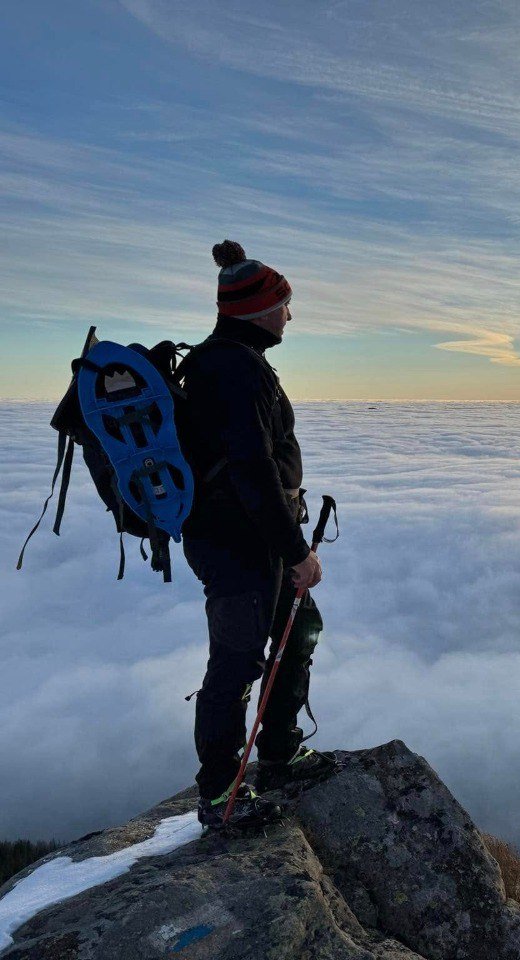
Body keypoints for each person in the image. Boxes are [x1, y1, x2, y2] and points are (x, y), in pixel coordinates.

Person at [181, 240, 333, 829]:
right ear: (255, 309)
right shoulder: (231, 369)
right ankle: (220, 790)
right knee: (238, 661)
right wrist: (296, 553)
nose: (290, 315)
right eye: (284, 304)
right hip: (239, 544)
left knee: (297, 635)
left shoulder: (231, 362)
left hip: (247, 538)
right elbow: (252, 470)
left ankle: (278, 751)